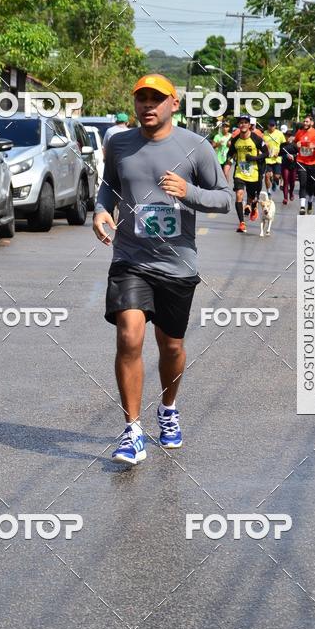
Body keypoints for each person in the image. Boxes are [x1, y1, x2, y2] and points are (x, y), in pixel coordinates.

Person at [93, 74, 232, 465]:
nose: (148, 106)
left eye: (157, 99)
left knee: (170, 347)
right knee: (129, 336)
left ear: (174, 103)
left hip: (177, 263)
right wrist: (102, 209)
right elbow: (109, 186)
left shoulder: (196, 147)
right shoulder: (118, 143)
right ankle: (132, 431)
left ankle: (168, 409)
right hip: (130, 259)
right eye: (142, 99)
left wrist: (189, 193)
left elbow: (223, 200)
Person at [227, 115, 269, 233]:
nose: (243, 124)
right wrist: (228, 162)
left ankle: (253, 206)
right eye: (241, 123)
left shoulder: (256, 139)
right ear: (238, 125)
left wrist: (254, 158)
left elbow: (267, 153)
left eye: (245, 122)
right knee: (239, 194)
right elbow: (230, 153)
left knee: (251, 197)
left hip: (254, 173)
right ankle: (242, 223)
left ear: (249, 125)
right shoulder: (236, 140)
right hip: (240, 172)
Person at [295, 114, 315, 214]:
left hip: (313, 163)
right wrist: (296, 144)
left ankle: (310, 202)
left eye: (307, 122)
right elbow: (295, 143)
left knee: (311, 186)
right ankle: (302, 207)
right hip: (301, 161)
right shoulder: (299, 132)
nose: (305, 123)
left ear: (311, 123)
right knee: (303, 184)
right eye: (304, 121)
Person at [264, 117, 286, 196]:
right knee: (267, 175)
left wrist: (279, 152)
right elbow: (261, 145)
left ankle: (274, 181)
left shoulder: (280, 134)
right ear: (268, 126)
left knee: (277, 176)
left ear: (275, 126)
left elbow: (284, 146)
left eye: (273, 125)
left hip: (277, 158)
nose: (272, 127)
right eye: (270, 125)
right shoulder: (264, 134)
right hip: (268, 159)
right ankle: (268, 191)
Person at [279, 127, 298, 205]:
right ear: (285, 136)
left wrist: (293, 156)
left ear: (293, 137)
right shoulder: (282, 145)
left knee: (292, 182)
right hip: (285, 165)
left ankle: (291, 192)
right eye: (287, 136)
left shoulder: (295, 145)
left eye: (290, 136)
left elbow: (299, 154)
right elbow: (279, 153)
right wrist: (284, 155)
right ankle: (285, 198)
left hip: (293, 165)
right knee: (286, 181)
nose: (288, 137)